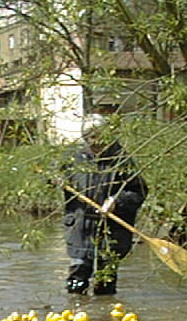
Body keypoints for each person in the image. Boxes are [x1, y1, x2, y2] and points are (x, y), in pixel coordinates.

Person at [62, 117, 148, 295]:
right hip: (81, 227)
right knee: (77, 279)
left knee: (105, 282)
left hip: (111, 231)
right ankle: (77, 313)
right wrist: (54, 180)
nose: (95, 143)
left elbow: (139, 192)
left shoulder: (122, 160)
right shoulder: (73, 157)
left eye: (99, 137)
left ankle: (105, 316)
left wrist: (117, 202)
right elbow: (49, 174)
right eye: (90, 138)